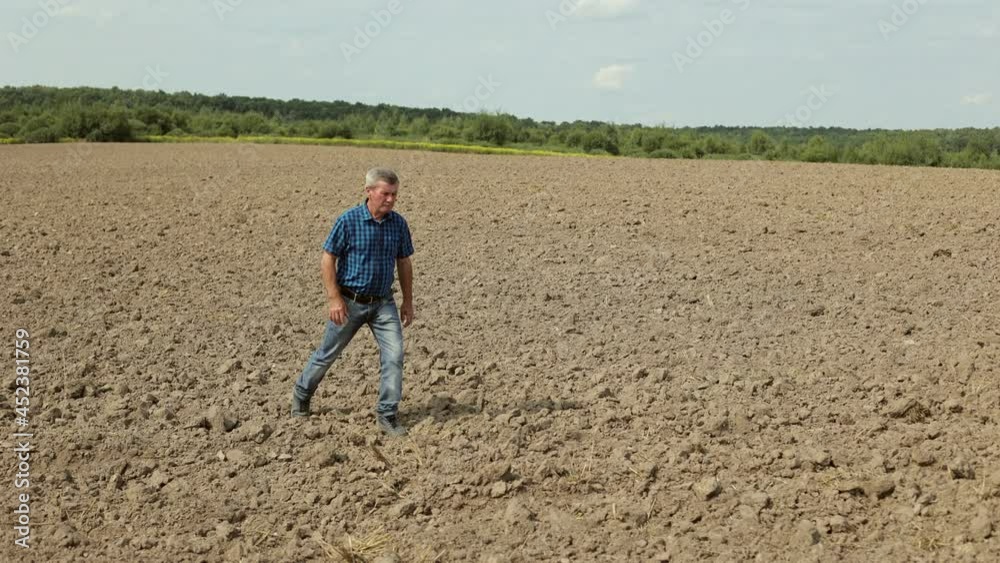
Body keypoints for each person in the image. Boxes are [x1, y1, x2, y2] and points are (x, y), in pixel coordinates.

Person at [291, 167, 414, 437]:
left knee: (394, 356)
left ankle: (387, 414)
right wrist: (334, 298)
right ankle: (301, 394)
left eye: (394, 194)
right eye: (385, 194)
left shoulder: (398, 224)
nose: (391, 199)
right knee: (327, 353)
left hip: (383, 303)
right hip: (349, 302)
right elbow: (328, 259)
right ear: (369, 191)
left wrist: (408, 301)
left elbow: (404, 262)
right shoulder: (348, 221)